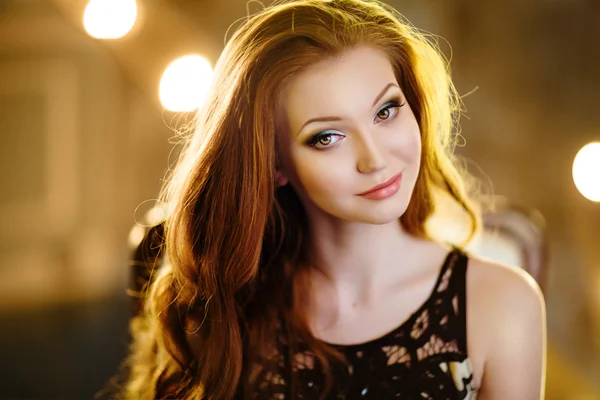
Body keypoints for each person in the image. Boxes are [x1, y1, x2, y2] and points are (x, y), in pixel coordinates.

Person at [121, 0, 546, 399]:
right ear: (273, 164)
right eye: (327, 137)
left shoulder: (503, 303)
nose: (375, 159)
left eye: (386, 111)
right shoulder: (221, 307)